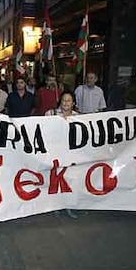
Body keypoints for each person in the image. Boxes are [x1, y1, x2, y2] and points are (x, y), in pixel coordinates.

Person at [45, 91, 79, 219]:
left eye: (69, 100)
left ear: (73, 103)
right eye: (64, 100)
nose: (66, 103)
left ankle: (69, 206)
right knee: (55, 180)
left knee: (70, 180)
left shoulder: (79, 117)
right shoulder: (51, 114)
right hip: (55, 152)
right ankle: (55, 206)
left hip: (71, 154)